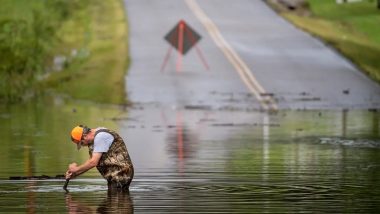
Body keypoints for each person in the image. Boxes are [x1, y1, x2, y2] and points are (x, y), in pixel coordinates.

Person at [66, 125, 134, 191]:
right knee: (113, 197)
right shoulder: (94, 139)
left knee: (116, 196)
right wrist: (75, 174)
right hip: (114, 174)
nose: (83, 145)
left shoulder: (100, 137)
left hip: (121, 172)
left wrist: (76, 169)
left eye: (82, 143)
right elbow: (91, 160)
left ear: (85, 136)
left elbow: (93, 162)